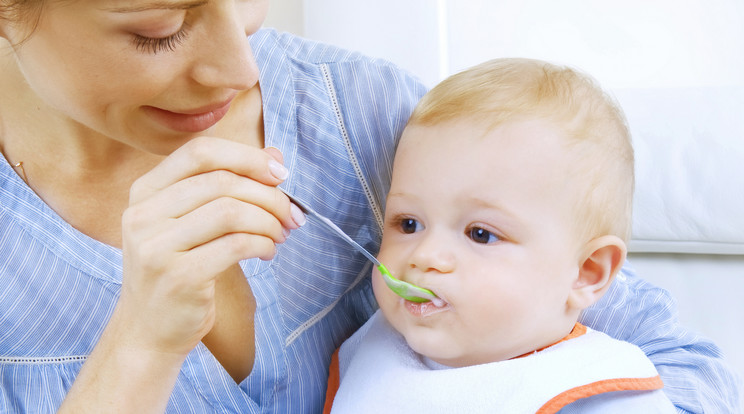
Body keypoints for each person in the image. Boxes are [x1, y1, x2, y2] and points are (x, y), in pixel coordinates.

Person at [0, 1, 739, 413]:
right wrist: (138, 346)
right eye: (158, 29)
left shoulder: (367, 116)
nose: (240, 69)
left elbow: (675, 358)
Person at [326, 58, 676, 413]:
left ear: (587, 271)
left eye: (480, 234)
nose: (424, 255)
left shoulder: (599, 394)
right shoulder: (379, 357)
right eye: (408, 224)